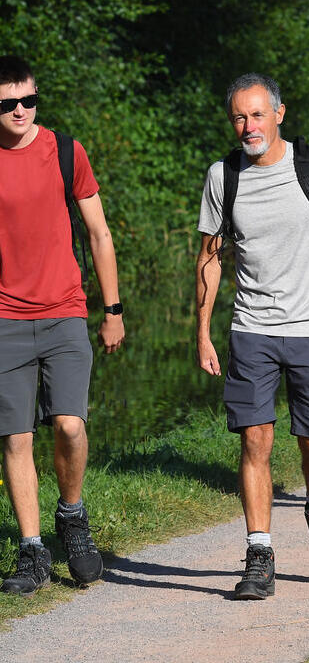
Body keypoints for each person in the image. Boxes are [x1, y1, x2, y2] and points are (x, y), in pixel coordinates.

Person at [196, 73, 309, 600]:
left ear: (279, 114)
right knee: (255, 440)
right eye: (240, 118)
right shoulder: (223, 176)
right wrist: (202, 332)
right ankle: (260, 553)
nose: (249, 126)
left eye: (258, 114)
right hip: (252, 329)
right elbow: (208, 258)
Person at [0, 56, 125, 596]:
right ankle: (32, 551)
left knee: (70, 425)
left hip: (65, 311)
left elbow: (98, 234)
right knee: (15, 437)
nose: (21, 111)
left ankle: (71, 515)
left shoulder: (65, 151)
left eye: (30, 100)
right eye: (9, 104)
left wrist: (112, 309)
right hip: (4, 319)